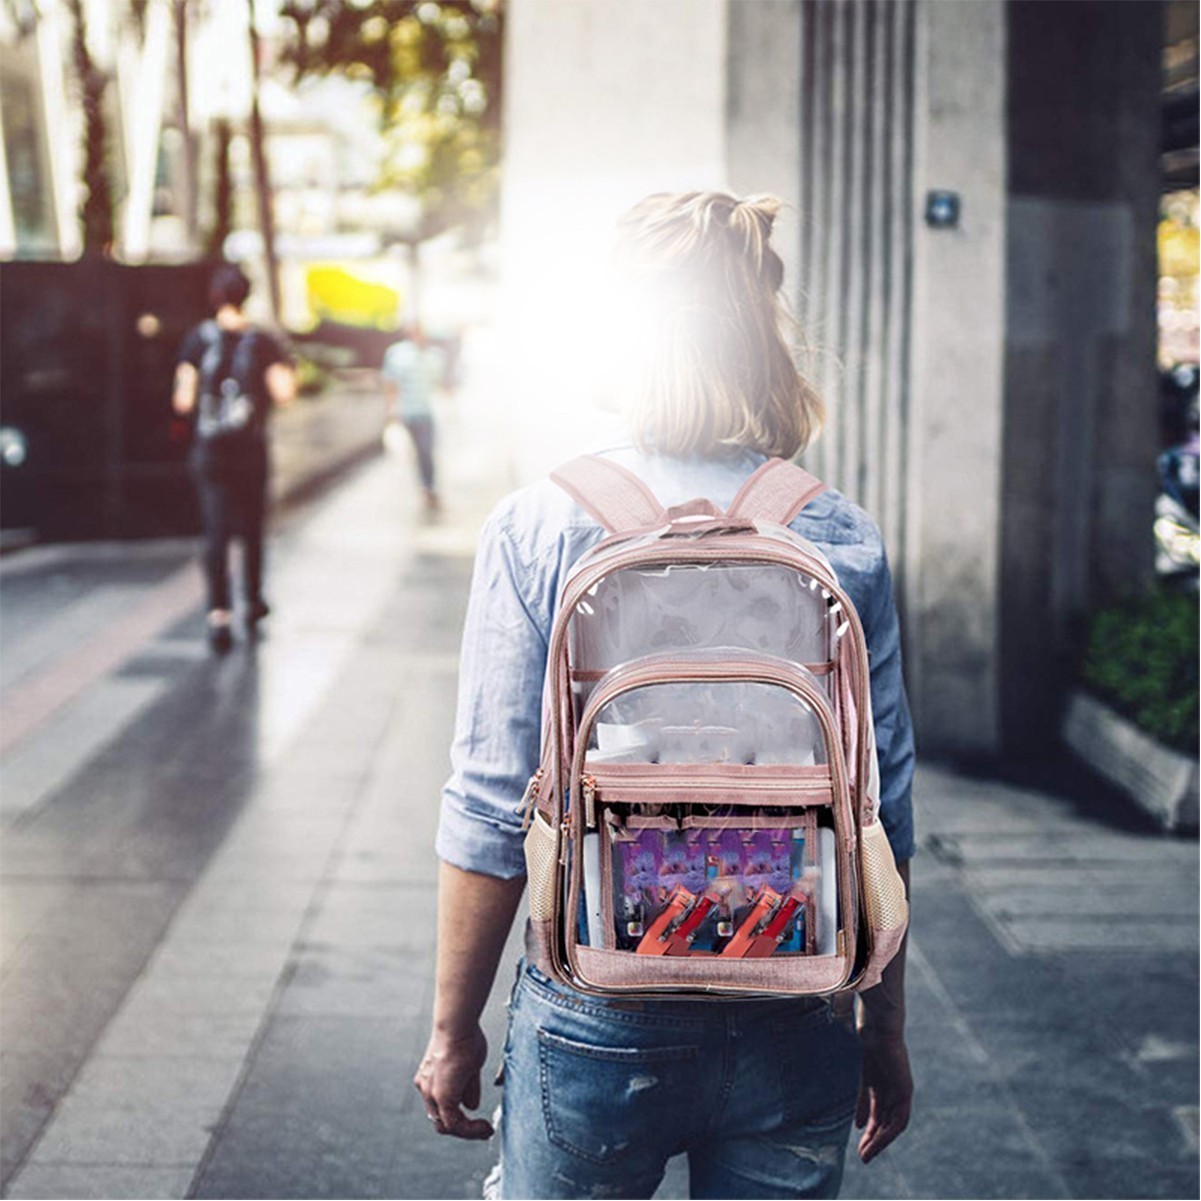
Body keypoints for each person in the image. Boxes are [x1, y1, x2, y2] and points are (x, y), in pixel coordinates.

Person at [415, 192, 915, 1199]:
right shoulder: (836, 532)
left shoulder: (540, 525)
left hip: (597, 1000)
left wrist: (451, 1027)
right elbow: (881, 809)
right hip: (796, 990)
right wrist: (883, 1027)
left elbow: (490, 805)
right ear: (762, 330)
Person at [173, 264, 295, 653]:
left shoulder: (198, 339)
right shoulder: (263, 341)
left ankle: (219, 612)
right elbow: (284, 394)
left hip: (210, 453)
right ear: (248, 294)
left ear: (215, 297)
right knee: (252, 529)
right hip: (250, 451)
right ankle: (253, 601)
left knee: (216, 530)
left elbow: (183, 400)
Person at [381, 324, 444, 510]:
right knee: (411, 452)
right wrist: (391, 410)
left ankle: (428, 487)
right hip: (405, 412)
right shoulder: (397, 354)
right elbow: (390, 383)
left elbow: (437, 384)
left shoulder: (434, 356)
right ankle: (423, 485)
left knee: (425, 451)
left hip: (425, 412)